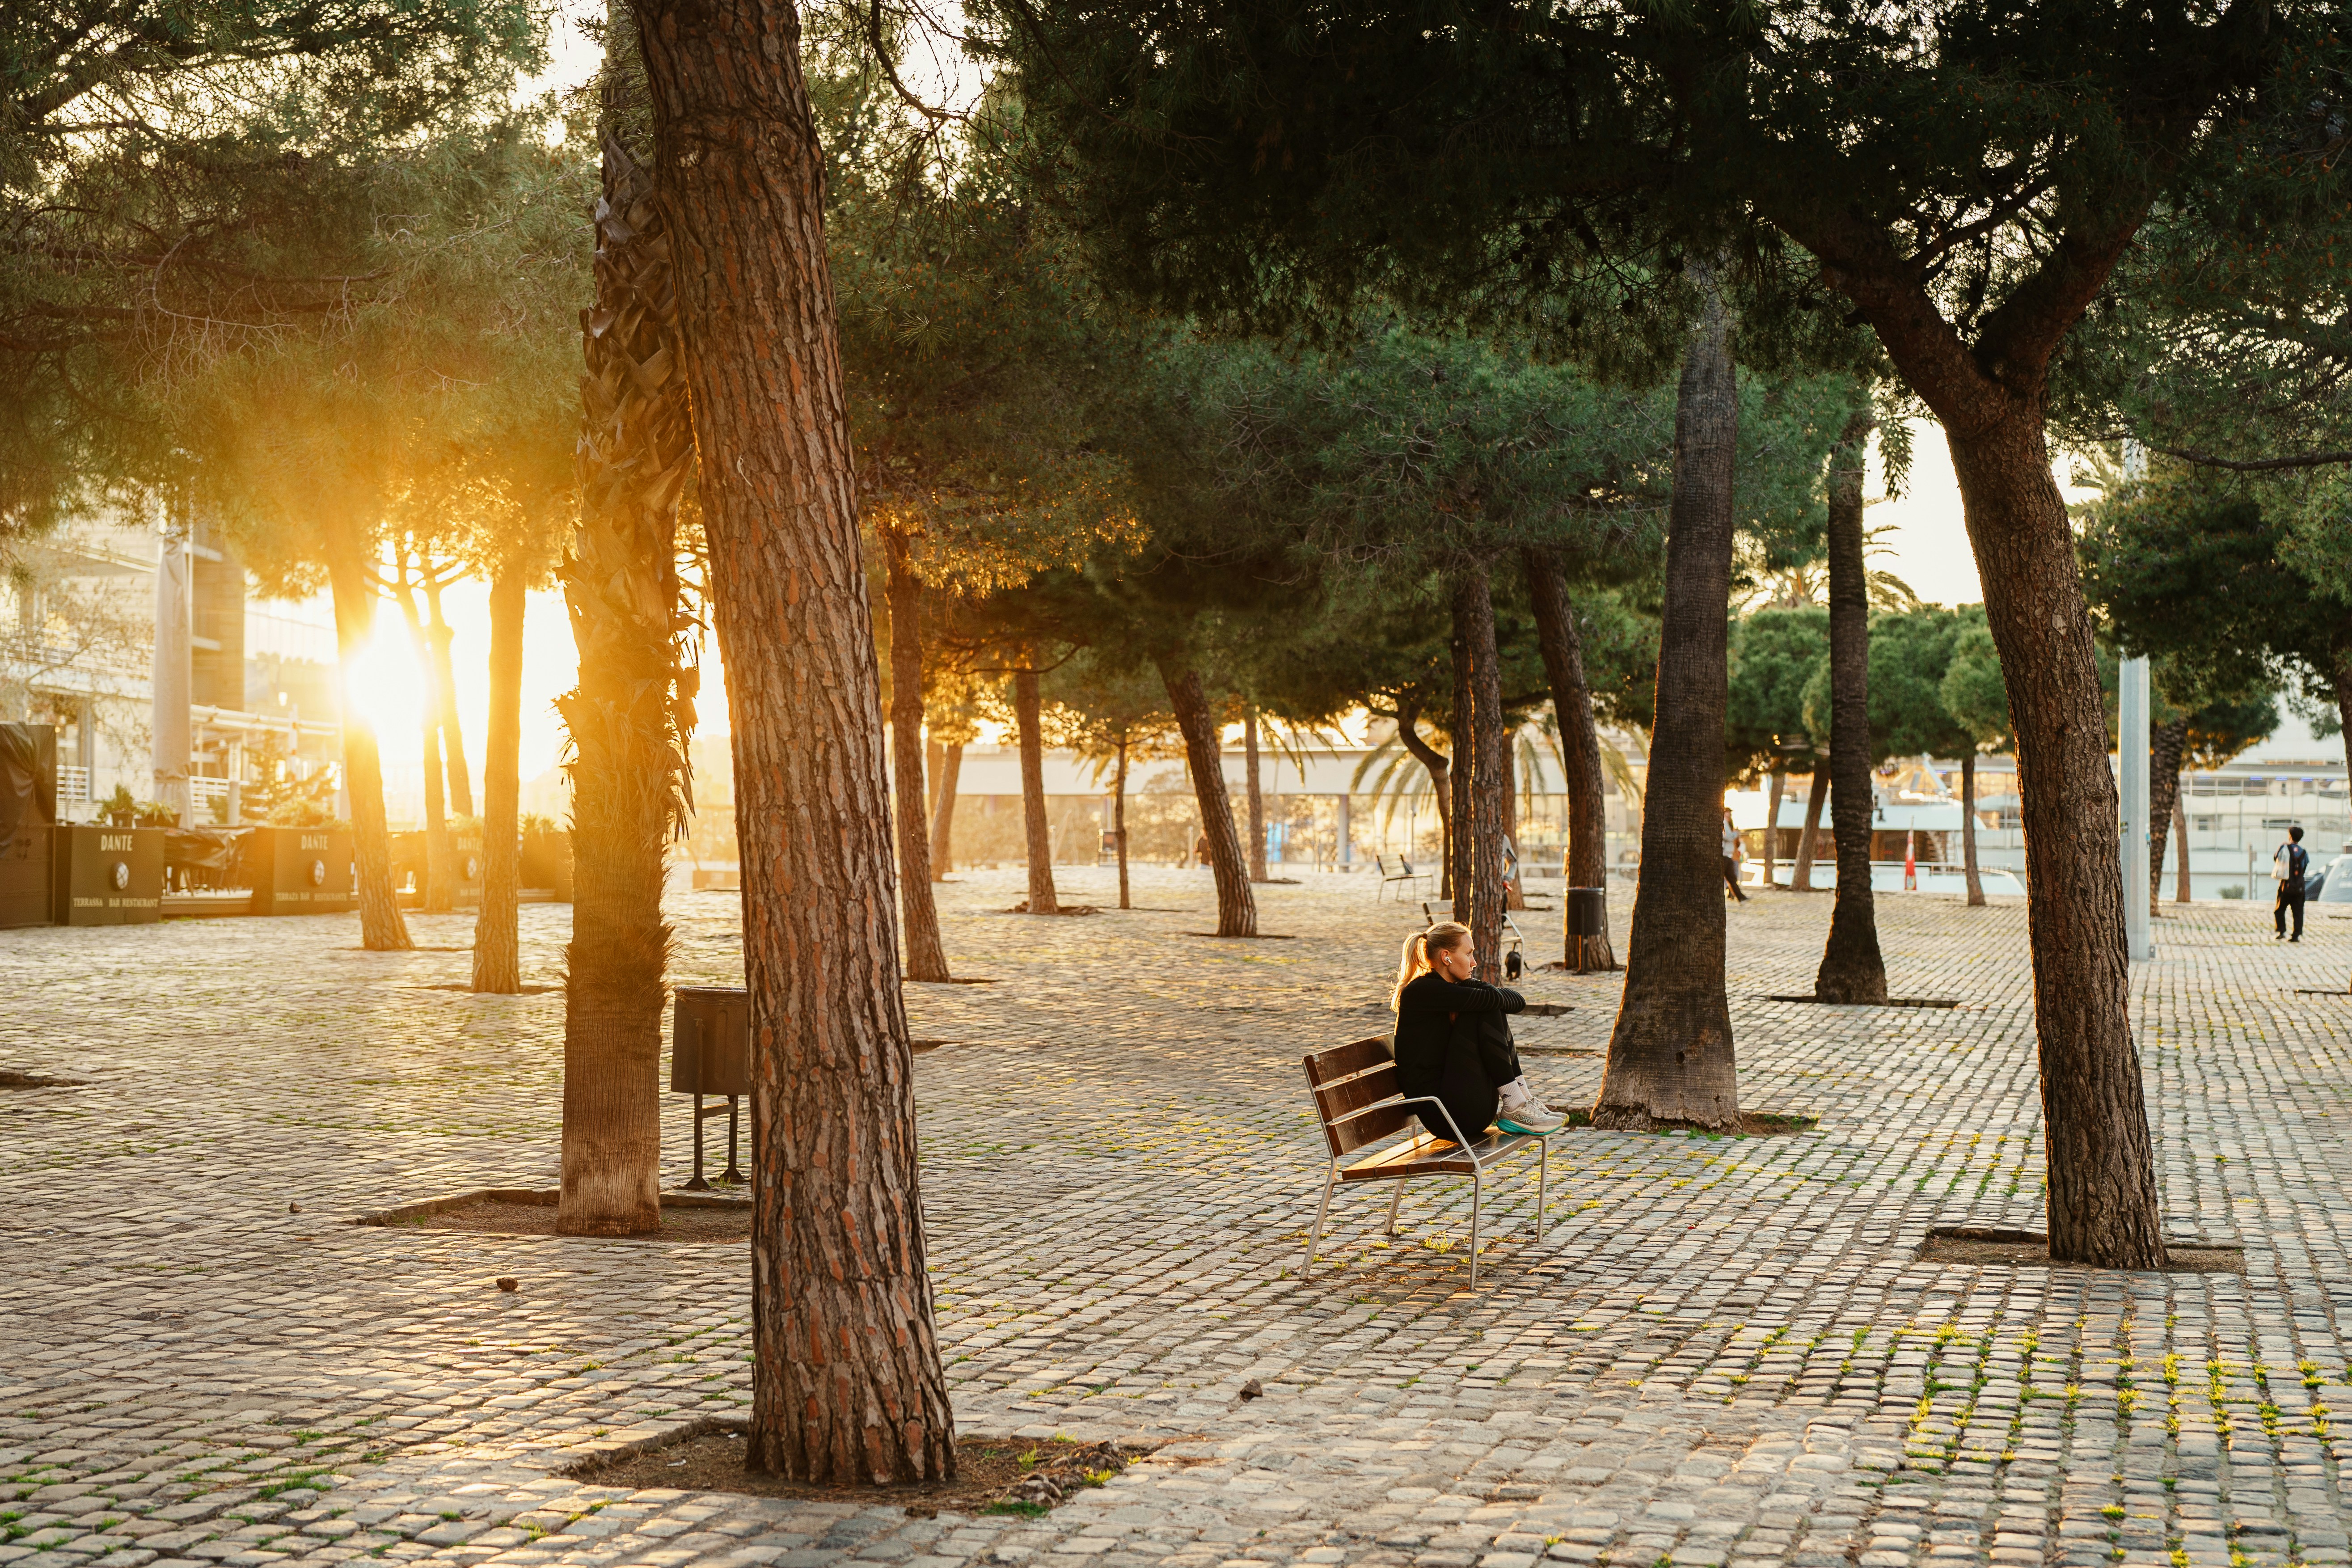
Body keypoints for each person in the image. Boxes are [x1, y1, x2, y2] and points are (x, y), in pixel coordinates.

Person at [1389, 920, 1566, 1141]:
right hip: (1446, 1115)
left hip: (1465, 1108)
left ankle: (1522, 1099)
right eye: (1469, 954)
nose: (1474, 962)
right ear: (1447, 957)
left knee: (1485, 1006)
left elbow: (1518, 1002)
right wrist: (1473, 987)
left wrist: (1469, 985)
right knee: (1485, 1007)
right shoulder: (1421, 992)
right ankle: (1515, 1104)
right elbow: (1493, 999)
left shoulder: (1449, 991)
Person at [2275, 823, 2310, 942]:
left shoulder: (2285, 849)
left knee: (2280, 910)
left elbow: (2276, 858)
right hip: (2299, 887)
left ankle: (2282, 931)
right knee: (2298, 911)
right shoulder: (2304, 852)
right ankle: (2296, 934)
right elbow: (2304, 867)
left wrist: (2281, 846)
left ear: (2290, 836)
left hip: (2286, 885)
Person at [1721, 806, 1749, 902]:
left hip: (1729, 855)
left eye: (1730, 812)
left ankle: (1740, 897)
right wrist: (1736, 834)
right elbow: (1728, 837)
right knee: (1729, 877)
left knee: (1732, 878)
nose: (1729, 814)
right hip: (1725, 854)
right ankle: (1739, 896)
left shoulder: (1729, 824)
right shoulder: (1724, 823)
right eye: (1727, 812)